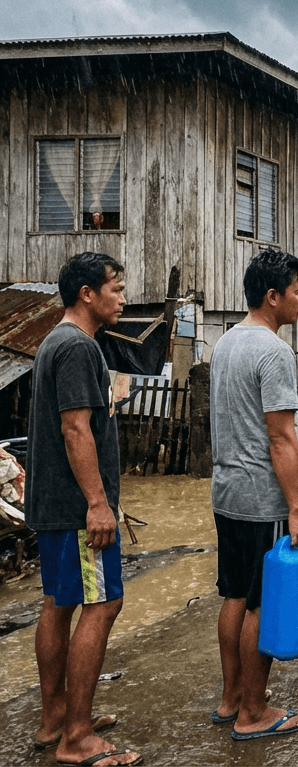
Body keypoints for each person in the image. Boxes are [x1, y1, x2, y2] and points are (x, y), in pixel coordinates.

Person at [27, 253, 142, 767]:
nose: (123, 297)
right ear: (87, 295)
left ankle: (56, 717)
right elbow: (76, 429)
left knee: (59, 602)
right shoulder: (76, 347)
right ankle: (76, 735)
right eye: (115, 288)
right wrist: (99, 503)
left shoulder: (59, 340)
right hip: (77, 510)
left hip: (53, 504)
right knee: (102, 604)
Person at [209, 249, 298, 740]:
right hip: (260, 498)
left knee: (234, 595)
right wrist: (297, 508)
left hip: (226, 491)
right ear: (272, 297)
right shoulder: (273, 352)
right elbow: (281, 437)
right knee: (260, 605)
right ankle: (254, 712)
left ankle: (232, 697)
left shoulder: (226, 341)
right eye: (296, 292)